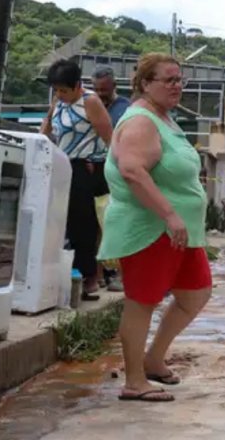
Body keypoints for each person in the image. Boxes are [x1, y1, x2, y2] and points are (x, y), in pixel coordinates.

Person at [101, 53, 212, 403]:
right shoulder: (141, 121)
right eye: (169, 80)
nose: (177, 86)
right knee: (142, 301)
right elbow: (132, 170)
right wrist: (169, 214)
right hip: (151, 227)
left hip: (178, 231)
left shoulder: (164, 118)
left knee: (196, 294)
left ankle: (153, 359)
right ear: (146, 83)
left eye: (180, 80)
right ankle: (134, 381)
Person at [40, 58, 114, 300]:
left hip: (86, 167)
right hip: (62, 164)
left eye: (64, 90)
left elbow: (109, 138)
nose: (60, 94)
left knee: (83, 224)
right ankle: (59, 274)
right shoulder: (58, 101)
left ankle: (88, 276)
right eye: (56, 90)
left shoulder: (90, 102)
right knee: (59, 222)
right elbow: (47, 127)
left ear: (77, 85)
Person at [93, 66, 133, 292]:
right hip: (94, 171)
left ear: (114, 87)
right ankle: (97, 274)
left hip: (118, 173)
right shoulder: (89, 104)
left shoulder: (125, 109)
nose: (100, 95)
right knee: (95, 224)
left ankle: (121, 274)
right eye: (97, 90)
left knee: (117, 222)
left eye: (105, 90)